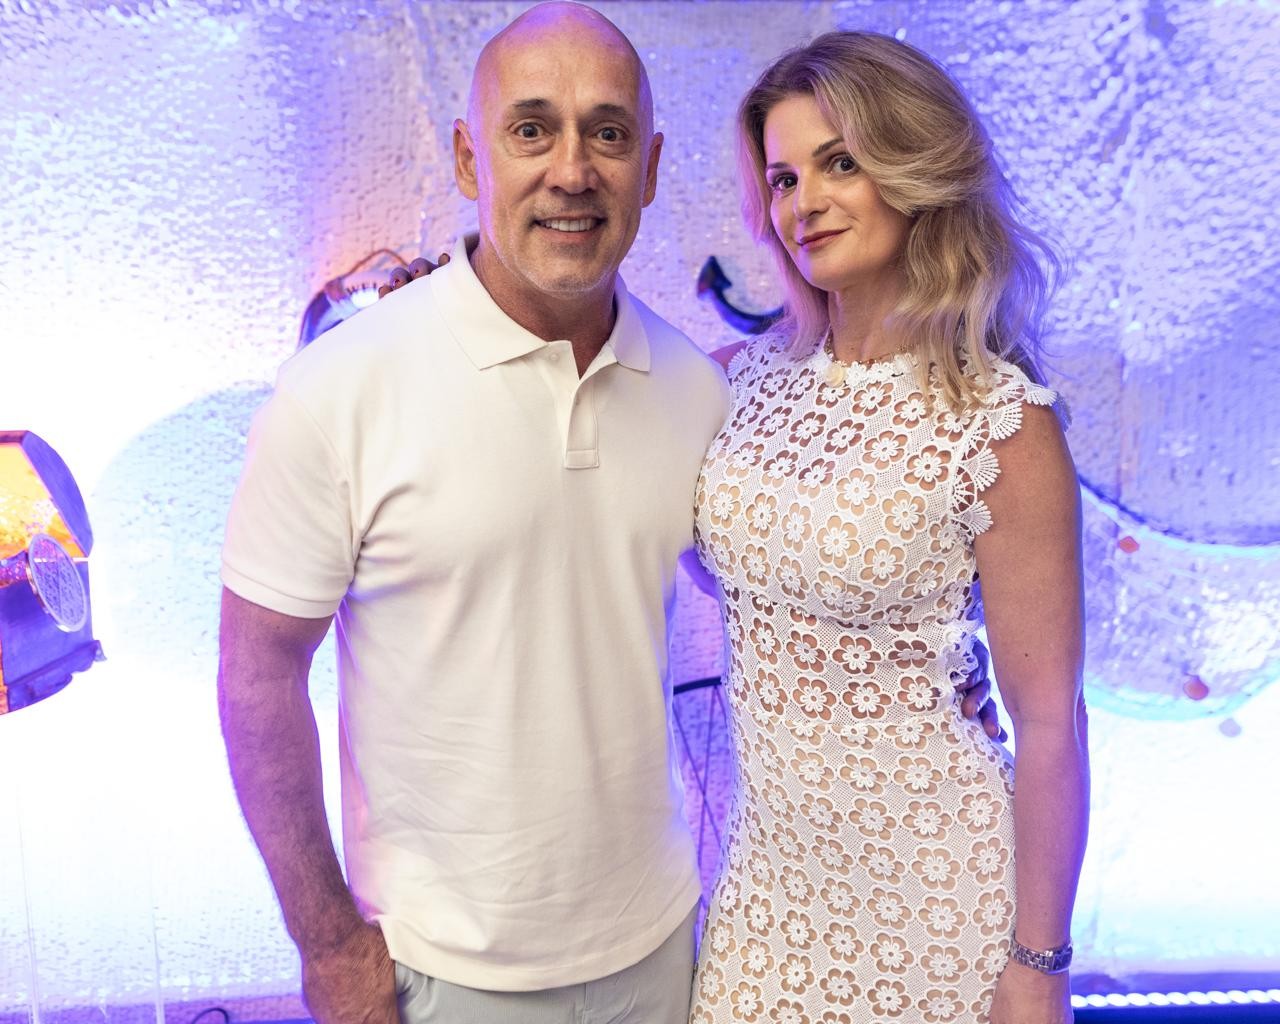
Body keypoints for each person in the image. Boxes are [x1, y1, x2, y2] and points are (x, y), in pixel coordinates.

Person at [221, 7, 1000, 1024]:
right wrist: (327, 945)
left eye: (607, 132)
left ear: (649, 166)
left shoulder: (695, 391)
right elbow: (256, 673)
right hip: (439, 976)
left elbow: (795, 583)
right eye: (530, 129)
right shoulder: (337, 389)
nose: (571, 170)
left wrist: (932, 681)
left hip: (662, 956)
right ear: (469, 157)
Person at [683, 31, 1089, 1024]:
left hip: (937, 908)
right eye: (783, 178)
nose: (803, 203)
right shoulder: (738, 384)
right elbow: (735, 560)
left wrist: (1038, 966)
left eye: (839, 163)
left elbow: (1050, 724)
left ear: (912, 168)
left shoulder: (1001, 423)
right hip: (765, 905)